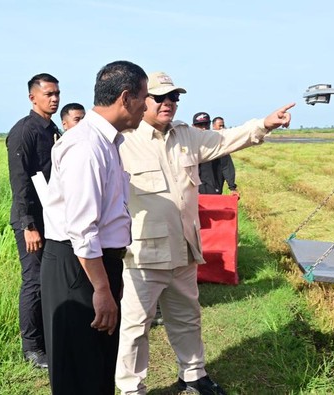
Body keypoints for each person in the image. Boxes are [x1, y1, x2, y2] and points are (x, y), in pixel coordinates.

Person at [115, 71, 294, 395]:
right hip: (144, 252)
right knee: (135, 326)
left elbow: (225, 140)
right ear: (143, 100)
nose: (169, 103)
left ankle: (193, 374)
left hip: (184, 246)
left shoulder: (186, 136)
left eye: (174, 98)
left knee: (187, 317)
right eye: (161, 97)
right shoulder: (124, 139)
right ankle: (131, 388)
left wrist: (264, 124)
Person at [40, 60, 148, 394]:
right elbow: (82, 229)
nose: (146, 107)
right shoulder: (86, 146)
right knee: (79, 371)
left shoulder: (108, 143)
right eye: (144, 98)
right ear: (126, 98)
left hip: (98, 264)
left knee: (98, 367)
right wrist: (102, 289)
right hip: (79, 268)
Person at [6, 72, 61, 369]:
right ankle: (32, 347)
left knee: (49, 279)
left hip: (52, 216)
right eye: (48, 94)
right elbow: (20, 181)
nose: (54, 99)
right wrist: (28, 225)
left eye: (57, 94)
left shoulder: (52, 129)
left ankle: (51, 336)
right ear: (33, 97)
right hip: (32, 221)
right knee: (33, 282)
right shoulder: (24, 131)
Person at [193, 113, 238, 195]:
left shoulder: (218, 144)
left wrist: (232, 188)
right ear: (193, 126)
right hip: (193, 191)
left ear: (210, 125)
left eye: (206, 125)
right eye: (199, 125)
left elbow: (226, 166)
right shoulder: (188, 144)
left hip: (213, 189)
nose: (203, 128)